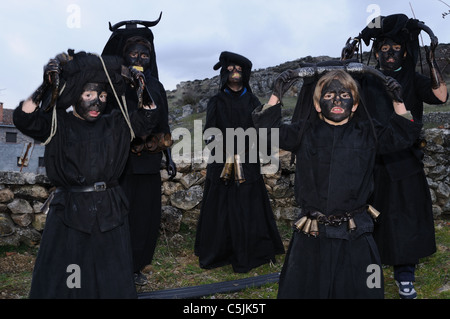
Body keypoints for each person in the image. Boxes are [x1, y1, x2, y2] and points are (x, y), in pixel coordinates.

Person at [252, 66, 422, 298]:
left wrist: (398, 101)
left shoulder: (368, 133)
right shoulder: (304, 132)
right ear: (317, 104)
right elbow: (265, 131)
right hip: (311, 234)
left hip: (356, 234)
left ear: (354, 104)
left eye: (344, 95)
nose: (337, 100)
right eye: (329, 96)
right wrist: (276, 94)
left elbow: (404, 135)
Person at [13, 51, 159, 298]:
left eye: (102, 96)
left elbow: (148, 116)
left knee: (111, 273)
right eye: (89, 94)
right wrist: (45, 86)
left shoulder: (116, 123)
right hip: (70, 211)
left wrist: (140, 86)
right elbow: (24, 118)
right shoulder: (59, 123)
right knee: (69, 278)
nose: (97, 102)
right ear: (75, 95)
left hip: (110, 210)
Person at [342, 14, 448, 299]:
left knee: (406, 218)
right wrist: (346, 60)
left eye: (396, 49)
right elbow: (341, 95)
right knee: (369, 219)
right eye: (384, 49)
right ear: (377, 52)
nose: (390, 53)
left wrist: (432, 57)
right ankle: (369, 274)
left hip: (404, 160)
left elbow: (440, 96)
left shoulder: (412, 77)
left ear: (405, 51)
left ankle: (404, 276)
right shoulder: (366, 79)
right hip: (371, 160)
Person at [194, 51, 285, 273]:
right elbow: (209, 131)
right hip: (221, 161)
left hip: (248, 159)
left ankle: (254, 250)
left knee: (248, 203)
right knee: (221, 205)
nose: (235, 73)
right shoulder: (216, 100)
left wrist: (249, 147)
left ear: (244, 74)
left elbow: (260, 129)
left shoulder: (252, 100)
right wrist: (222, 147)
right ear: (225, 73)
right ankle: (220, 251)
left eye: (239, 70)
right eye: (231, 69)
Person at [102, 16, 176, 285]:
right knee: (119, 215)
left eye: (145, 53)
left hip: (149, 163)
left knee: (146, 218)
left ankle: (135, 268)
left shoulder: (156, 86)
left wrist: (168, 157)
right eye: (134, 52)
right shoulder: (111, 85)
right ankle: (113, 266)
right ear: (124, 54)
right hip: (119, 165)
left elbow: (164, 123)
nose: (140, 57)